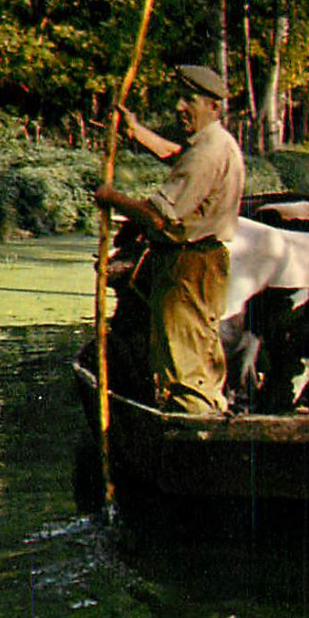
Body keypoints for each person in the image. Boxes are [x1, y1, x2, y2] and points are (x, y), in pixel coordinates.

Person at [95, 64, 245, 413]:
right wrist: (136, 131)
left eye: (188, 99)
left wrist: (110, 197)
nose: (179, 107)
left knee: (182, 365)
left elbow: (159, 215)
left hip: (187, 266)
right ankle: (207, 416)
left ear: (214, 107)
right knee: (199, 356)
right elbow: (179, 158)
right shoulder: (214, 143)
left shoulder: (207, 153)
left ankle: (193, 433)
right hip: (204, 262)